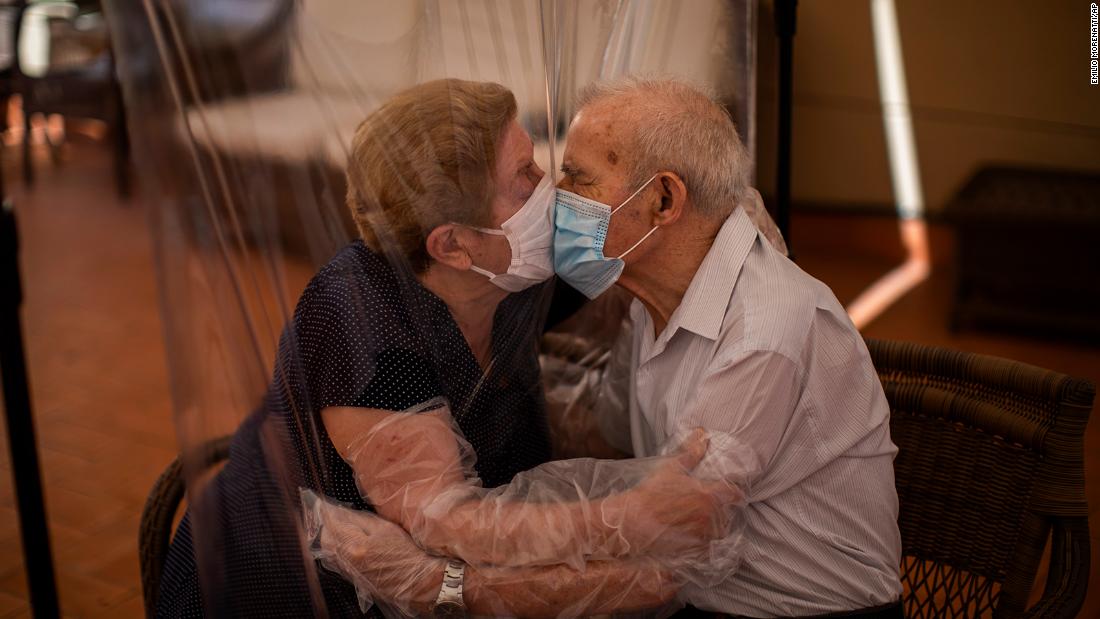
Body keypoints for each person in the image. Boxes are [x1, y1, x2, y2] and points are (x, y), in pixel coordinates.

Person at [157, 78, 740, 619]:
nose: (551, 192)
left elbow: (630, 256)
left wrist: (723, 221)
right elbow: (449, 530)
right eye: (523, 178)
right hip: (289, 588)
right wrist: (630, 521)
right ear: (454, 244)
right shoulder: (362, 328)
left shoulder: (508, 272)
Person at [548, 76, 904, 617]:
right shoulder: (649, 295)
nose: (559, 198)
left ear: (664, 200)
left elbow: (669, 530)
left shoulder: (762, 332)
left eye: (579, 179)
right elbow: (611, 435)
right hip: (699, 596)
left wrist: (459, 561)